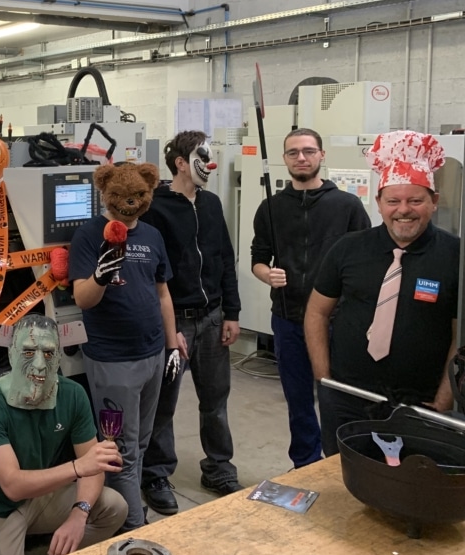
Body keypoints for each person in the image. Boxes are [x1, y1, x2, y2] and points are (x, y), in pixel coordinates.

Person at [305, 130, 459, 455]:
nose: (404, 210)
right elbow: (316, 312)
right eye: (393, 201)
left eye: (415, 200)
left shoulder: (456, 257)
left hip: (420, 404)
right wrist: (324, 380)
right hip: (347, 396)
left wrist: (445, 399)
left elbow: (460, 336)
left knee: (410, 479)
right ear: (378, 204)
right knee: (340, 472)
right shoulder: (348, 249)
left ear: (434, 201)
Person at [0, 315, 127, 555]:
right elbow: (12, 486)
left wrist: (79, 513)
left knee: (114, 507)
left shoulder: (73, 394)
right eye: (28, 352)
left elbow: (94, 468)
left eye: (48, 353)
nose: (39, 364)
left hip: (41, 495)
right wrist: (78, 467)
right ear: (12, 354)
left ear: (58, 357)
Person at [68, 162, 183, 532]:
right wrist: (101, 275)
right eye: (121, 196)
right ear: (105, 192)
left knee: (141, 443)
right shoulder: (89, 235)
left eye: (138, 195)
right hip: (113, 360)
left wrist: (172, 346)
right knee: (119, 449)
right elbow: (82, 298)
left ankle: (130, 512)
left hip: (153, 354)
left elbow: (162, 293)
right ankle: (133, 526)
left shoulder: (151, 235)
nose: (130, 202)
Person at [250, 128, 371, 468]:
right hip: (287, 318)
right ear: (284, 159)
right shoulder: (271, 208)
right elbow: (258, 258)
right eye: (293, 152)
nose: (301, 158)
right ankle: (305, 463)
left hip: (337, 322)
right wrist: (266, 274)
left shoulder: (347, 206)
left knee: (338, 398)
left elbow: (365, 260)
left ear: (321, 155)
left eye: (308, 151)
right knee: (298, 399)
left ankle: (342, 464)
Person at [139, 131, 243, 514]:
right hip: (177, 322)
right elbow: (154, 275)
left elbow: (224, 258)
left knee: (215, 400)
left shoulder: (211, 203)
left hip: (213, 318)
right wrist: (169, 333)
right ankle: (156, 475)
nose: (210, 163)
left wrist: (232, 313)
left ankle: (218, 468)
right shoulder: (155, 207)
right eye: (203, 155)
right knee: (163, 405)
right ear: (181, 163)